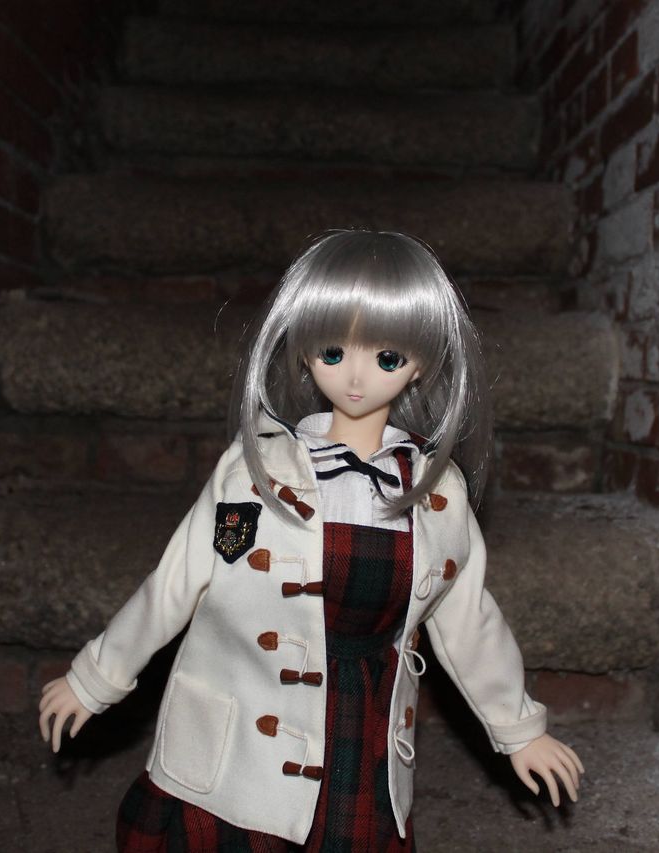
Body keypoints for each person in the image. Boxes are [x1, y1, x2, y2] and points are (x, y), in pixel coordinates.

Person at [38, 230, 584, 851]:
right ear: (303, 353)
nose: (355, 376)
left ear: (421, 365)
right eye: (332, 351)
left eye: (387, 358)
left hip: (365, 725)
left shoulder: (438, 495)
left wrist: (518, 729)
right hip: (248, 723)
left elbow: (469, 621)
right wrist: (96, 677)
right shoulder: (253, 472)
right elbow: (174, 583)